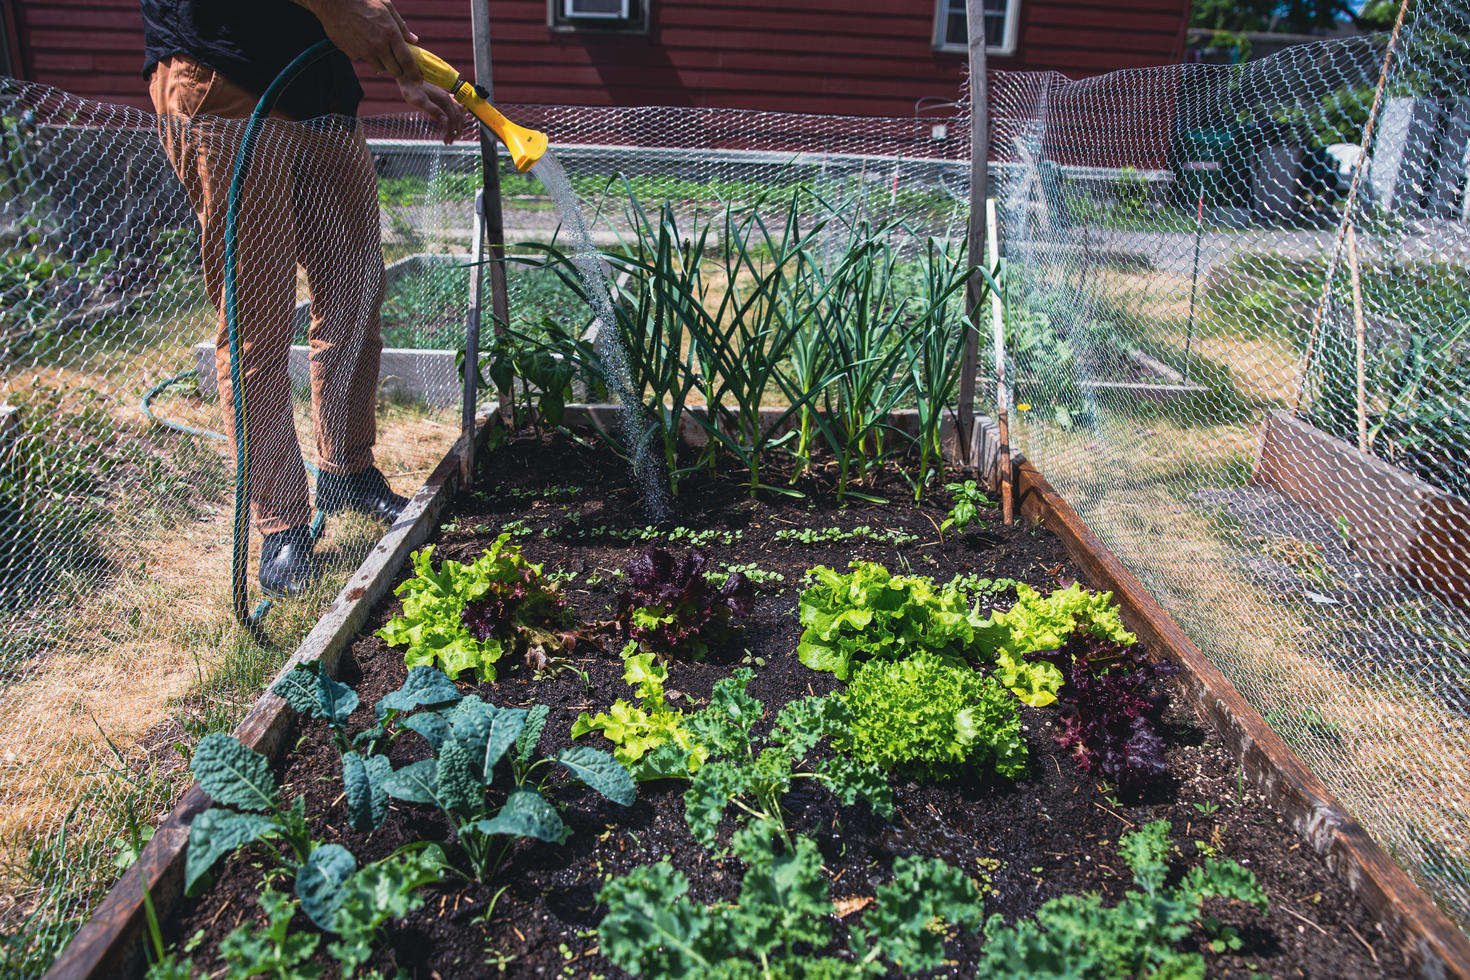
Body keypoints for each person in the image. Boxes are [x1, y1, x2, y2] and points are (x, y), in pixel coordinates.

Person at [142, 0, 467, 596]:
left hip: (322, 92)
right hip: (226, 72)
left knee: (354, 300)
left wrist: (403, 70)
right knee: (257, 325)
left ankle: (347, 470)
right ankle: (283, 524)